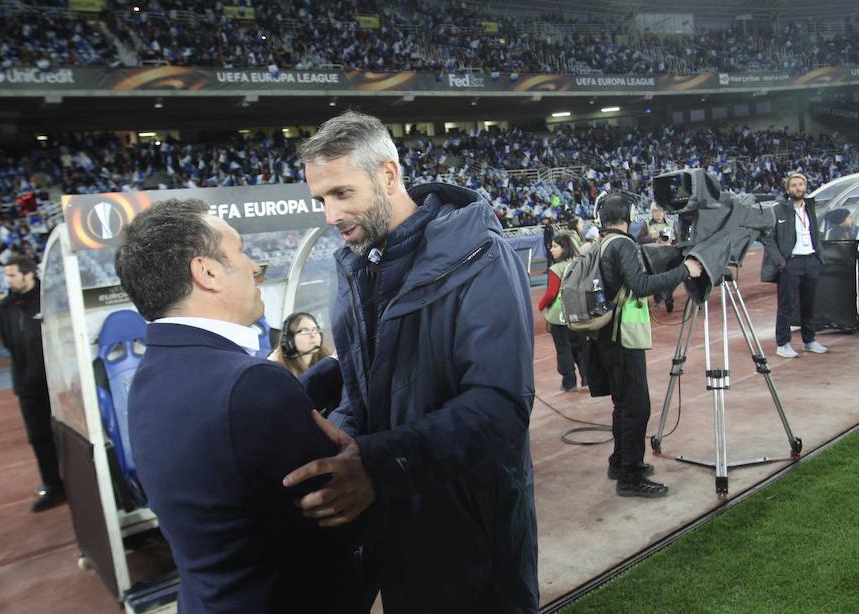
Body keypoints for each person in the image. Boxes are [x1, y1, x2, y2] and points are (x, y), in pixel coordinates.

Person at [287, 111, 538, 613]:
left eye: (341, 194)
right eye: (320, 200)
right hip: (396, 523)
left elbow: (500, 405)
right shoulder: (357, 266)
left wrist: (377, 464)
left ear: (387, 175)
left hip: (474, 535)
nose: (329, 216)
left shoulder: (481, 256)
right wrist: (332, 445)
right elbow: (364, 390)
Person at [114, 198, 369, 614]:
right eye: (240, 250)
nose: (254, 266)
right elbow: (342, 514)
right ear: (207, 272)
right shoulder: (250, 384)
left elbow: (232, 434)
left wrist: (335, 369)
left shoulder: (153, 374)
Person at [590, 193, 703, 498]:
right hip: (622, 337)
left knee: (622, 403)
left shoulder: (600, 243)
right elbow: (640, 286)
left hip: (607, 336)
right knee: (636, 406)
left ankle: (619, 462)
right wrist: (684, 272)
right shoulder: (623, 243)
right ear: (628, 215)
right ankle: (630, 475)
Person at [0, 255, 65, 512]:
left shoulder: (49, 299)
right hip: (27, 384)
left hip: (56, 382)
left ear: (28, 274)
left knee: (69, 436)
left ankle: (81, 482)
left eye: (12, 275)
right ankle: (54, 486)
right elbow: (8, 342)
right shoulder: (5, 306)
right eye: (6, 275)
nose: (8, 280)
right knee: (39, 438)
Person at [760, 172, 828, 359]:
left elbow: (815, 232)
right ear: (788, 189)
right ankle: (783, 343)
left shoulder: (810, 207)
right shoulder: (778, 210)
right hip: (791, 263)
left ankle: (809, 340)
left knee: (809, 304)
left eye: (801, 184)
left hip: (811, 260)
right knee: (787, 305)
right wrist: (781, 262)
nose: (799, 188)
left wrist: (818, 255)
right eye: (795, 185)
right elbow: (768, 238)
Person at [537, 232, 587, 392]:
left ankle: (569, 381)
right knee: (579, 347)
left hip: (559, 315)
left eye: (555, 246)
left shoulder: (555, 269)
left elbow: (551, 293)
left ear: (564, 248)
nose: (551, 249)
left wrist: (541, 305)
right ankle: (587, 378)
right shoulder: (579, 263)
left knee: (563, 348)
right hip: (578, 312)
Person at [268, 311, 335, 377]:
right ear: (289, 340)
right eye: (304, 331)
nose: (313, 335)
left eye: (315, 330)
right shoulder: (276, 369)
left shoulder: (328, 362)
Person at [637, 203, 677, 313]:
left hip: (669, 256)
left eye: (660, 210)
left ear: (664, 212)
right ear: (651, 213)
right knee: (655, 275)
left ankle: (667, 297)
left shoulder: (671, 223)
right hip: (652, 258)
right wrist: (652, 237)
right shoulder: (646, 224)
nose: (658, 213)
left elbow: (678, 240)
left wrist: (672, 243)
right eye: (655, 211)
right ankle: (660, 298)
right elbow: (639, 239)